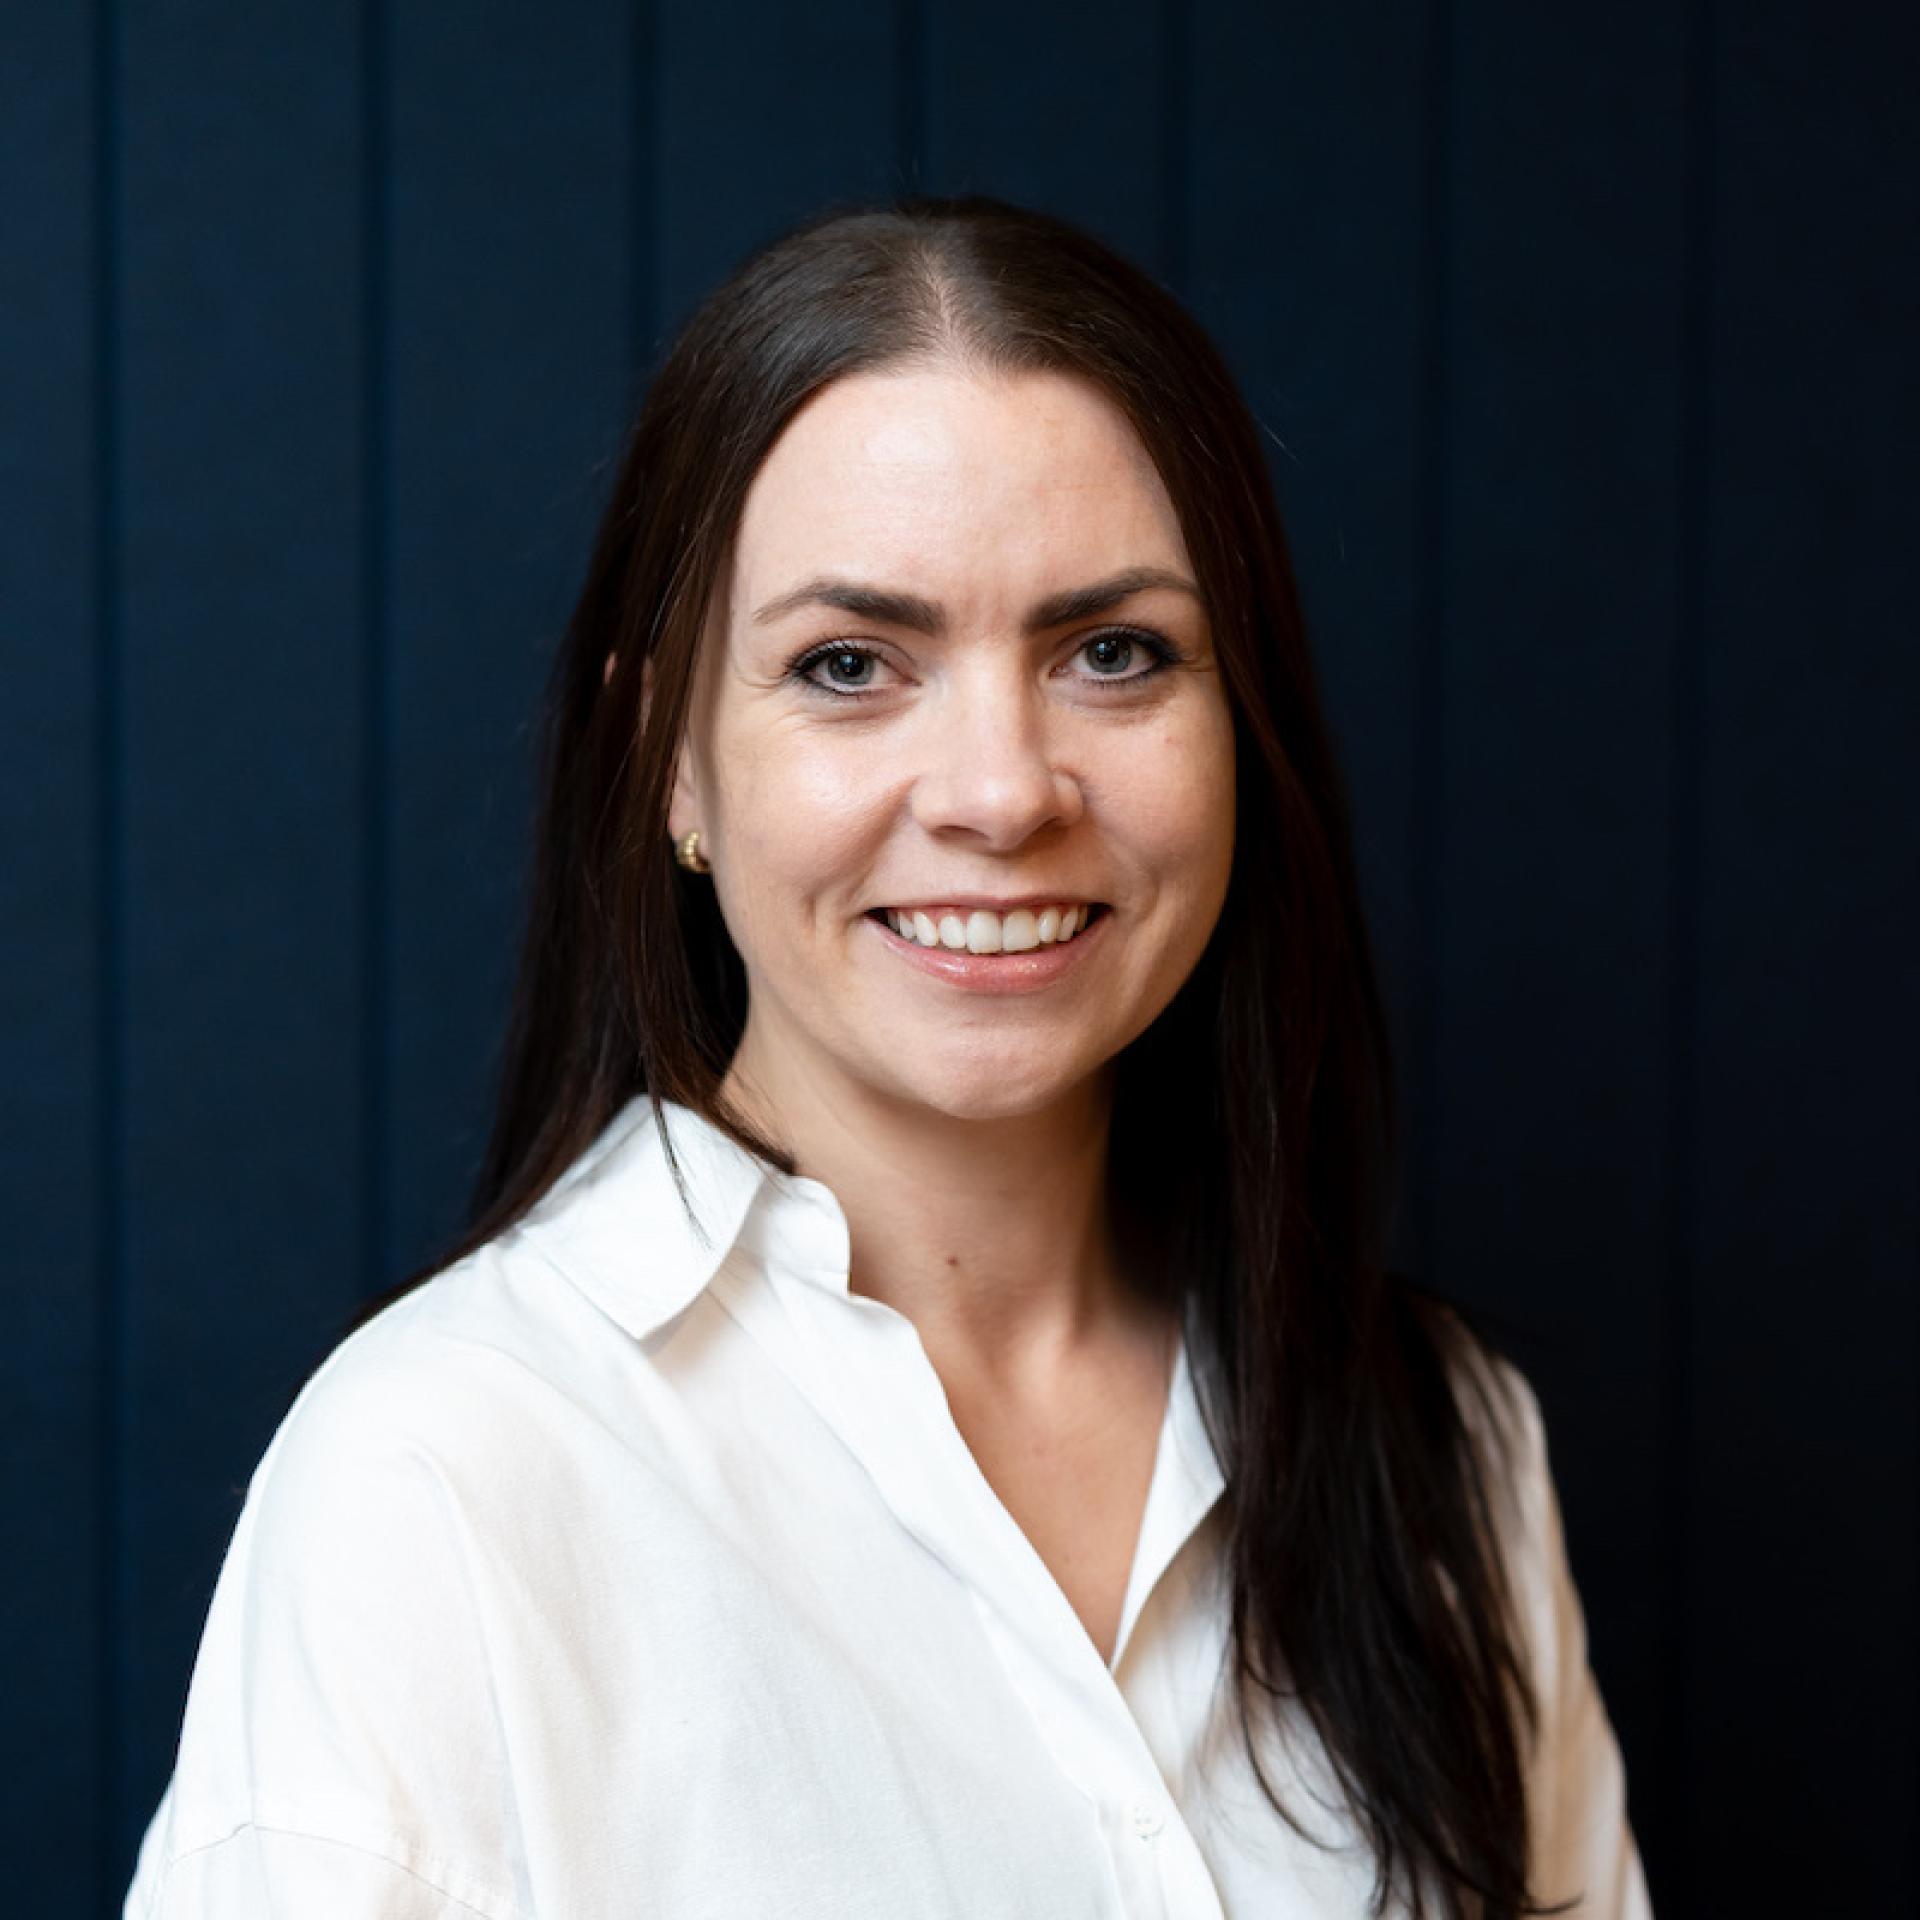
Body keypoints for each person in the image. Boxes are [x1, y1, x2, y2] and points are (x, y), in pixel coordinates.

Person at [122, 195, 1651, 1919]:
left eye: (1113, 654)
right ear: (671, 767)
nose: (1001, 791)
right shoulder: (441, 1481)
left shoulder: (1446, 1444)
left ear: (1245, 725)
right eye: (851, 665)